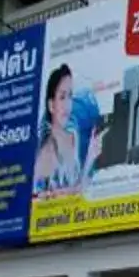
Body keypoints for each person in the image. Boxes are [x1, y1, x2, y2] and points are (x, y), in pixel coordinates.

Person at [33, 65, 92, 194]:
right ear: (51, 105)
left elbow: (80, 185)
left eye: (70, 96)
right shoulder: (45, 156)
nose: (67, 104)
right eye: (62, 97)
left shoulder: (73, 136)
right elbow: (37, 201)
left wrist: (91, 156)